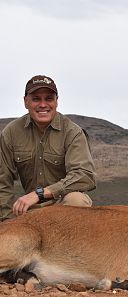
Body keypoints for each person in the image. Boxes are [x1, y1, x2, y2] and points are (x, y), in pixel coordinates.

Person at [0, 75, 96, 221]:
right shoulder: (11, 133)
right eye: (36, 99)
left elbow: (84, 176)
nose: (43, 105)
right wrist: (7, 221)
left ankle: (71, 243)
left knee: (77, 200)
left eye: (49, 99)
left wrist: (39, 194)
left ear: (57, 101)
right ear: (26, 102)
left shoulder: (72, 132)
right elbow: (3, 182)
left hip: (63, 206)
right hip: (28, 211)